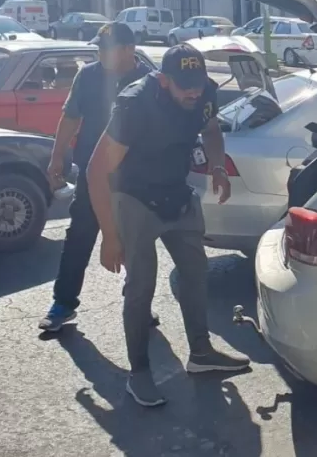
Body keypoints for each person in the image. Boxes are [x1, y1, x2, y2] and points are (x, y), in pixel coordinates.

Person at [86, 43, 250, 407]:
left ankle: (201, 353)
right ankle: (139, 373)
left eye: (197, 82)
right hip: (135, 198)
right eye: (183, 85)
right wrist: (110, 236)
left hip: (177, 192)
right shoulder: (135, 104)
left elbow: (209, 129)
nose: (192, 91)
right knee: (141, 288)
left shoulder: (204, 92)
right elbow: (96, 171)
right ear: (163, 80)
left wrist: (218, 165)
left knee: (196, 272)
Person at [38, 23, 153, 332]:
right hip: (92, 172)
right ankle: (63, 303)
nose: (100, 54)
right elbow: (71, 117)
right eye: (99, 48)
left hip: (135, 175)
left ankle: (139, 304)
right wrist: (56, 157)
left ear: (129, 49)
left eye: (108, 48)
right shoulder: (87, 76)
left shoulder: (148, 80)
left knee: (136, 241)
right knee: (80, 236)